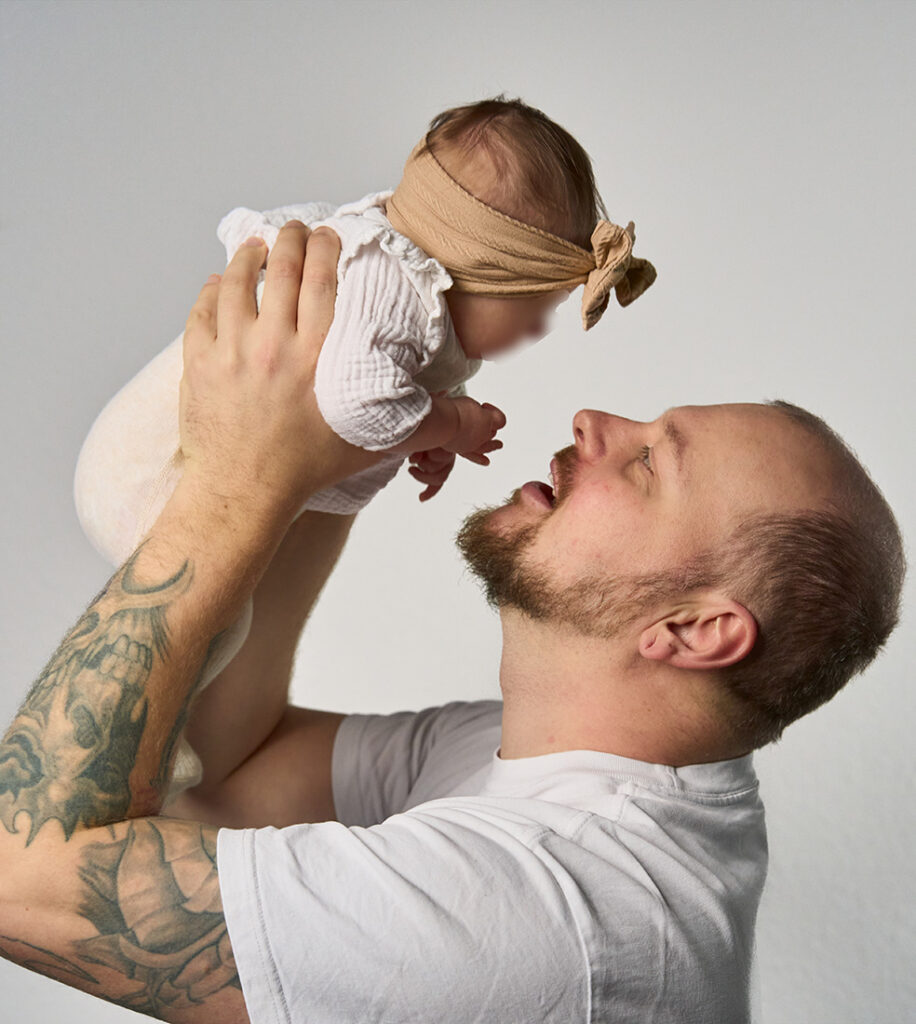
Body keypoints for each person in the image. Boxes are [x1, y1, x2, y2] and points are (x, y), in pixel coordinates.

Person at [0, 224, 904, 1024]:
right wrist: (339, 456)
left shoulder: (546, 916)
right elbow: (225, 771)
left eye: (647, 466)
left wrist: (235, 484)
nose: (593, 422)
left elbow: (15, 876)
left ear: (696, 630)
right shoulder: (551, 766)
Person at [72, 96, 656, 793]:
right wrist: (452, 423)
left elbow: (377, 383)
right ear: (481, 275)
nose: (538, 332)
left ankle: (178, 752)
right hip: (154, 476)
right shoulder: (393, 286)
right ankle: (160, 754)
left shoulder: (406, 274)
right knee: (213, 620)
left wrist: (424, 432)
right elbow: (358, 404)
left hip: (170, 465)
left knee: (229, 625)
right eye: (536, 310)